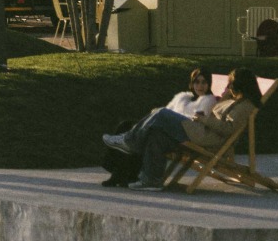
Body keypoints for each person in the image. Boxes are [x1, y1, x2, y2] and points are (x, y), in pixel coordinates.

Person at [103, 68, 263, 191]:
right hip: (201, 130)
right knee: (157, 133)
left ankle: (129, 141)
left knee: (162, 113)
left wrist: (203, 119)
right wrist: (226, 97)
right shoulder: (234, 100)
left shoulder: (245, 106)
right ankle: (151, 181)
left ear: (239, 85)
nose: (229, 86)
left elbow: (228, 129)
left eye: (231, 83)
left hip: (207, 137)